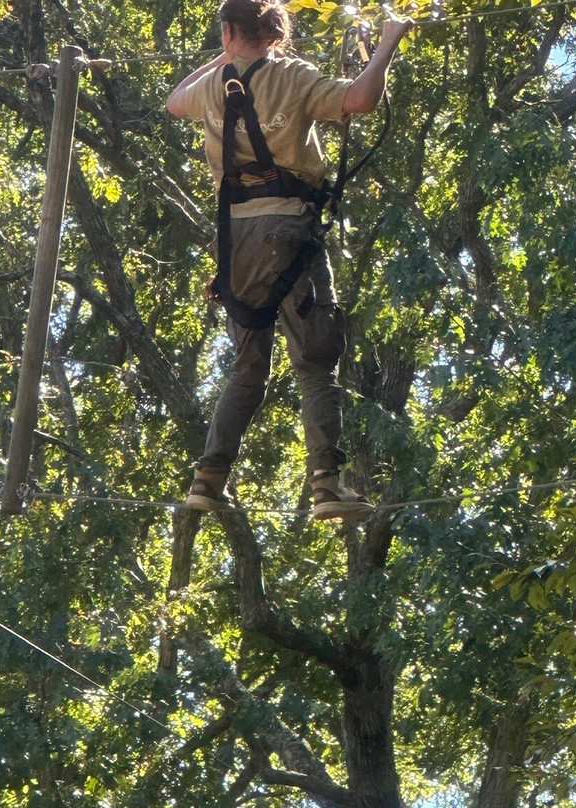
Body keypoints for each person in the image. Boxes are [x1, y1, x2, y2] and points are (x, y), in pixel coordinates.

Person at [167, 0, 412, 520]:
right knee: (315, 360)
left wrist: (222, 61)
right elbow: (362, 98)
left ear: (229, 30)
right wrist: (388, 41)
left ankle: (206, 481)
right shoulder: (292, 75)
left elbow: (173, 101)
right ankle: (326, 484)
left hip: (234, 243)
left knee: (247, 366)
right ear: (274, 33)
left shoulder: (213, 88)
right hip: (287, 230)